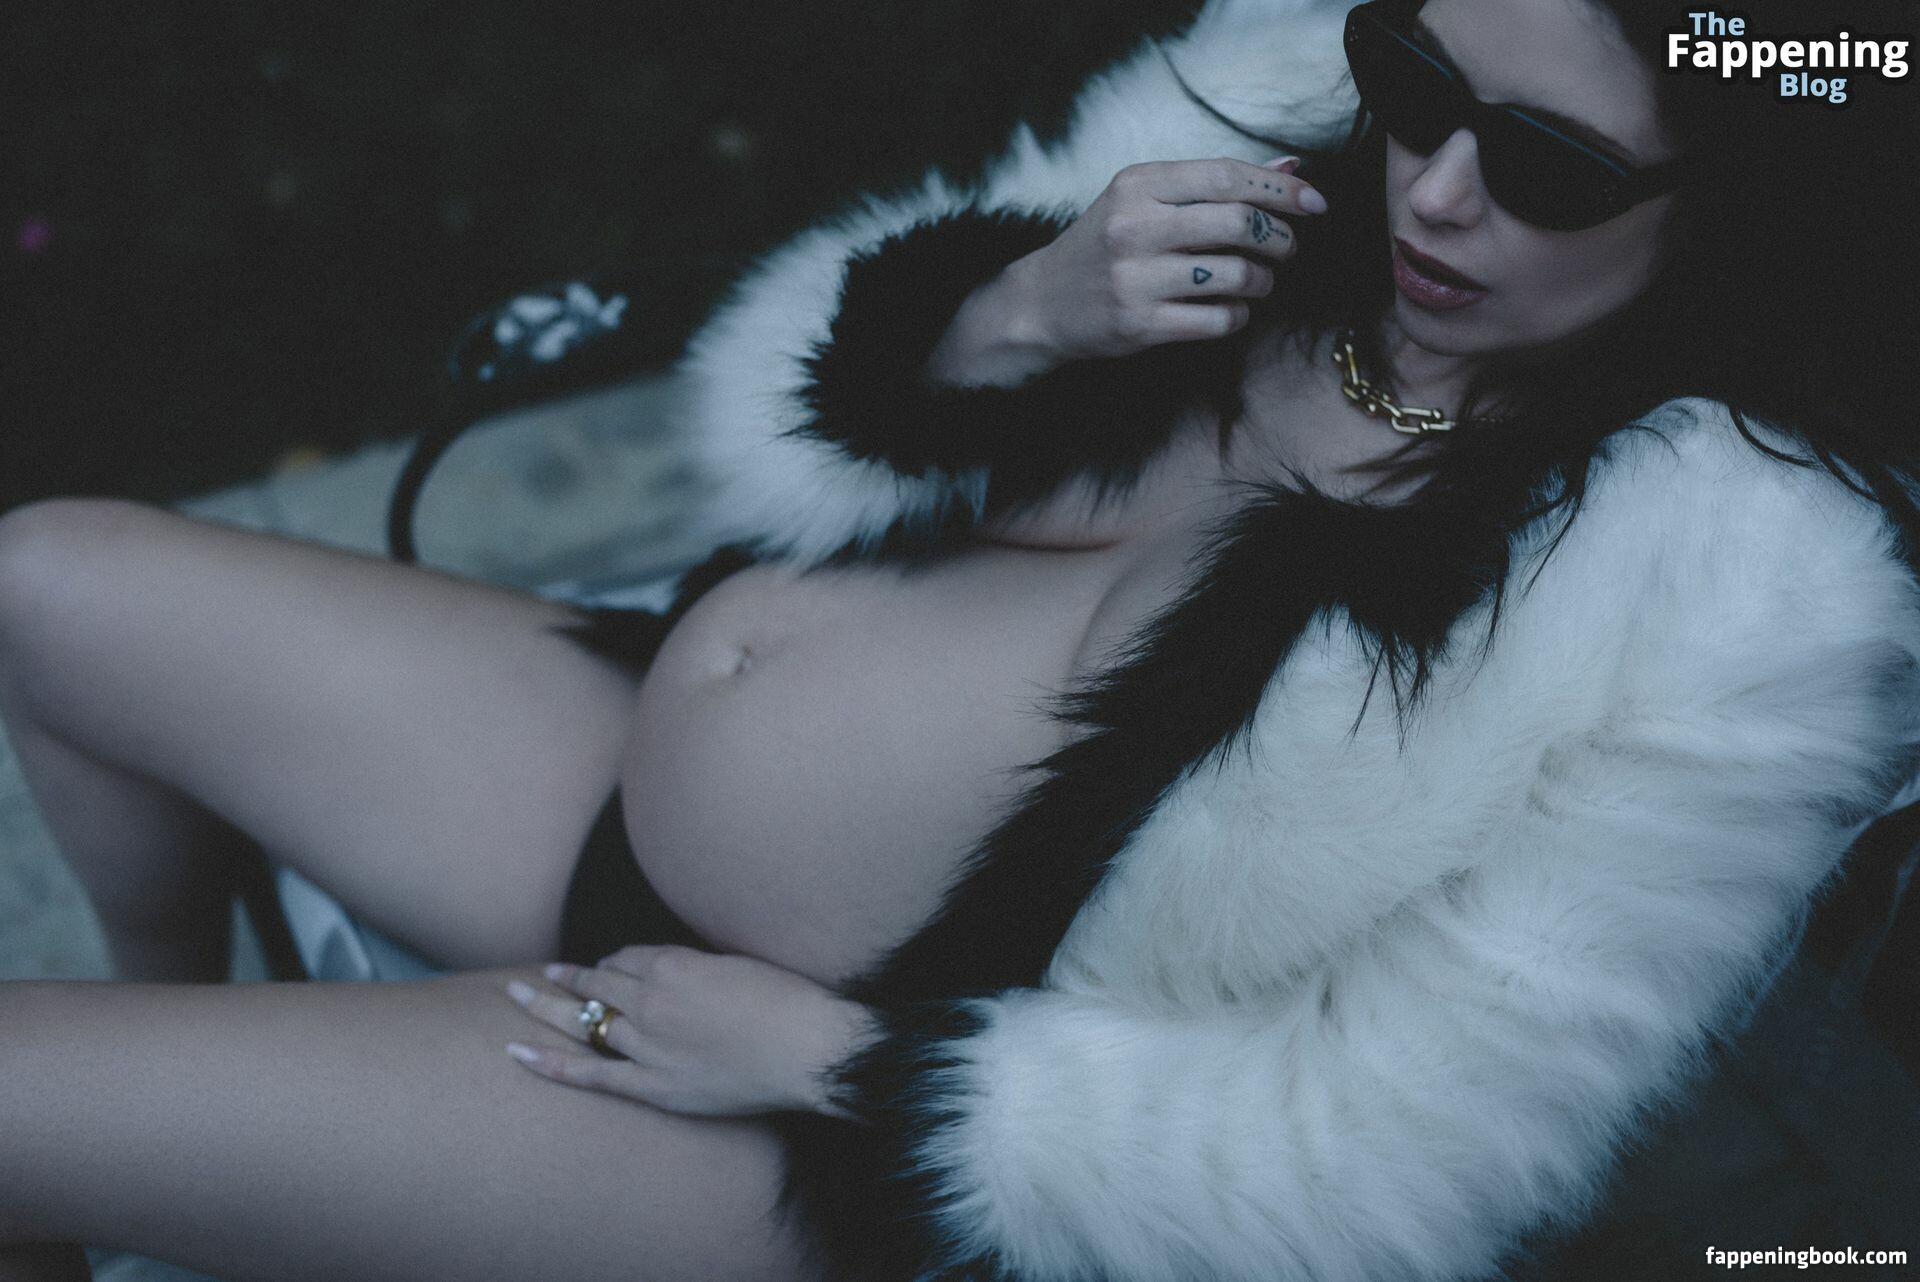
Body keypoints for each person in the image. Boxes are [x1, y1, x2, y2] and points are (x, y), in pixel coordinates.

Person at [1, 0, 1915, 1278]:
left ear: (1732, 190)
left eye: (1549, 167)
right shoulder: (1271, 128)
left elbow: (1392, 1148)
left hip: (802, 1125)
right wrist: (1018, 310)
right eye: (1414, 77)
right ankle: (186, 1070)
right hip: (604, 774)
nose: (1432, 184)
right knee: (49, 581)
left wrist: (851, 1072)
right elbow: (781, 412)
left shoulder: (1723, 595)